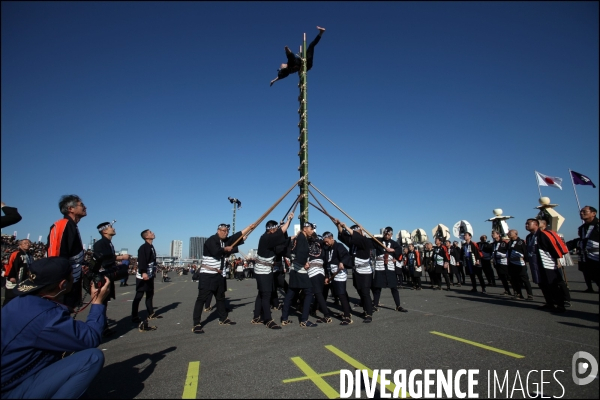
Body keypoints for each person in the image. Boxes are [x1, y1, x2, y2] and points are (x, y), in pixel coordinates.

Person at [1, 257, 110, 399]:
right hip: (11, 388)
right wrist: (97, 303)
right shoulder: (46, 317)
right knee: (92, 358)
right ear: (63, 284)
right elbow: (90, 337)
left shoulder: (18, 302)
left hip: (13, 375)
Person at [192, 222, 255, 334]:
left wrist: (249, 228)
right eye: (223, 231)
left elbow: (236, 237)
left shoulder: (224, 241)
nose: (225, 233)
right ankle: (196, 323)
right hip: (207, 274)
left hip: (219, 275)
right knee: (201, 298)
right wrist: (226, 249)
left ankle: (223, 318)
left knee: (220, 297)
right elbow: (216, 251)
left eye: (226, 231)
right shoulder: (212, 240)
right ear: (218, 231)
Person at [251, 214, 294, 330]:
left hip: (265, 269)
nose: (276, 231)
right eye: (274, 230)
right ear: (270, 230)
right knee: (266, 294)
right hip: (262, 271)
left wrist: (284, 231)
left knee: (261, 293)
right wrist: (289, 220)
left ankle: (256, 317)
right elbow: (281, 233)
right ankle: (268, 319)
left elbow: (281, 240)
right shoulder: (266, 238)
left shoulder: (268, 238)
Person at [47, 194, 87, 310]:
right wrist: (61, 282)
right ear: (70, 209)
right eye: (81, 205)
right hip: (62, 284)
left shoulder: (72, 226)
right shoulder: (62, 224)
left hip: (72, 281)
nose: (85, 207)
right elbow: (55, 256)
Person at [93, 221, 130, 336]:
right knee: (101, 302)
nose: (113, 229)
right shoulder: (100, 244)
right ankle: (99, 328)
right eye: (110, 227)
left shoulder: (108, 243)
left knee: (104, 302)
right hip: (103, 275)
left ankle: (103, 326)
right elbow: (103, 259)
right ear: (104, 231)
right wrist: (121, 257)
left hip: (107, 275)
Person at [279, 222, 319, 328]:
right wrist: (304, 263)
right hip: (299, 270)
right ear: (305, 229)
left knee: (291, 293)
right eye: (311, 229)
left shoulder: (297, 238)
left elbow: (292, 252)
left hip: (294, 269)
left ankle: (284, 318)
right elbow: (300, 253)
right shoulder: (301, 238)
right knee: (309, 292)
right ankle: (304, 320)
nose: (312, 231)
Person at [525, 218, 569, 312]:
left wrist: (558, 260)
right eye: (526, 224)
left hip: (547, 263)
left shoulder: (544, 234)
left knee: (552, 284)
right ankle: (549, 303)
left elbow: (553, 247)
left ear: (536, 224)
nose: (526, 225)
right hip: (535, 265)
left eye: (528, 224)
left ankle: (560, 305)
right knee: (542, 284)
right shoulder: (529, 237)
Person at [335, 220, 375, 323]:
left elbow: (356, 237)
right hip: (356, 270)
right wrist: (339, 226)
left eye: (355, 233)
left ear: (360, 232)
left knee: (365, 292)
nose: (352, 235)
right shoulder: (353, 243)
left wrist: (346, 226)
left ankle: (369, 313)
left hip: (365, 271)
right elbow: (343, 236)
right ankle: (366, 308)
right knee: (359, 290)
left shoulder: (365, 241)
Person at [371, 227, 407, 312]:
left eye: (388, 234)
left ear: (391, 234)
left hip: (390, 267)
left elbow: (399, 251)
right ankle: (375, 305)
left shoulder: (394, 243)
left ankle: (398, 305)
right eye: (385, 234)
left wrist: (393, 250)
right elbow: (370, 241)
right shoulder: (378, 241)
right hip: (380, 267)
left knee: (394, 287)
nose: (386, 236)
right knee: (377, 287)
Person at [132, 229, 160, 330]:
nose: (153, 233)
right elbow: (142, 261)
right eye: (150, 232)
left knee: (150, 294)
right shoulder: (143, 248)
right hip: (143, 275)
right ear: (146, 236)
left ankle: (150, 313)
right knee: (139, 295)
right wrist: (143, 272)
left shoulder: (151, 247)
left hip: (150, 274)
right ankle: (134, 315)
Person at [322, 231, 353, 325]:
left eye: (327, 241)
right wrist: (327, 276)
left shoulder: (339, 246)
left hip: (340, 272)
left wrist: (342, 262)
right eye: (325, 242)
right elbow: (326, 262)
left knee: (341, 294)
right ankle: (347, 310)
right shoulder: (327, 248)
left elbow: (346, 256)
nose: (326, 243)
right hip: (332, 273)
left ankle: (347, 316)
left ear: (332, 238)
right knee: (340, 292)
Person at [567, 205, 599, 293]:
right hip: (585, 255)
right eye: (581, 212)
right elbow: (581, 240)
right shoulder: (582, 228)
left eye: (585, 211)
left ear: (593, 213)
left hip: (596, 255)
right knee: (587, 272)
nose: (581, 213)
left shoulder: (598, 225)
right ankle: (590, 288)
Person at [3, 239, 32, 306]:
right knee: (10, 297)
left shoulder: (30, 255)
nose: (27, 244)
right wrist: (11, 276)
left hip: (24, 279)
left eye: (28, 243)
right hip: (15, 279)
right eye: (25, 243)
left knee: (20, 297)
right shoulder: (16, 254)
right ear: (20, 245)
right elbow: (10, 265)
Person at [506, 229, 534, 300]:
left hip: (520, 263)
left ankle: (530, 294)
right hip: (511, 264)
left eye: (510, 233)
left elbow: (525, 252)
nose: (508, 234)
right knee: (514, 279)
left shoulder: (521, 242)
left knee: (524, 279)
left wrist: (526, 260)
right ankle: (518, 294)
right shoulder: (509, 242)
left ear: (516, 234)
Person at [491, 230, 513, 296]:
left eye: (494, 233)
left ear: (498, 234)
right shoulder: (493, 244)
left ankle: (516, 291)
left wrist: (503, 255)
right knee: (502, 277)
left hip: (504, 262)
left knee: (509, 277)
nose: (492, 235)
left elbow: (508, 251)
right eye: (492, 234)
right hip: (497, 262)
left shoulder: (504, 242)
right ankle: (507, 290)